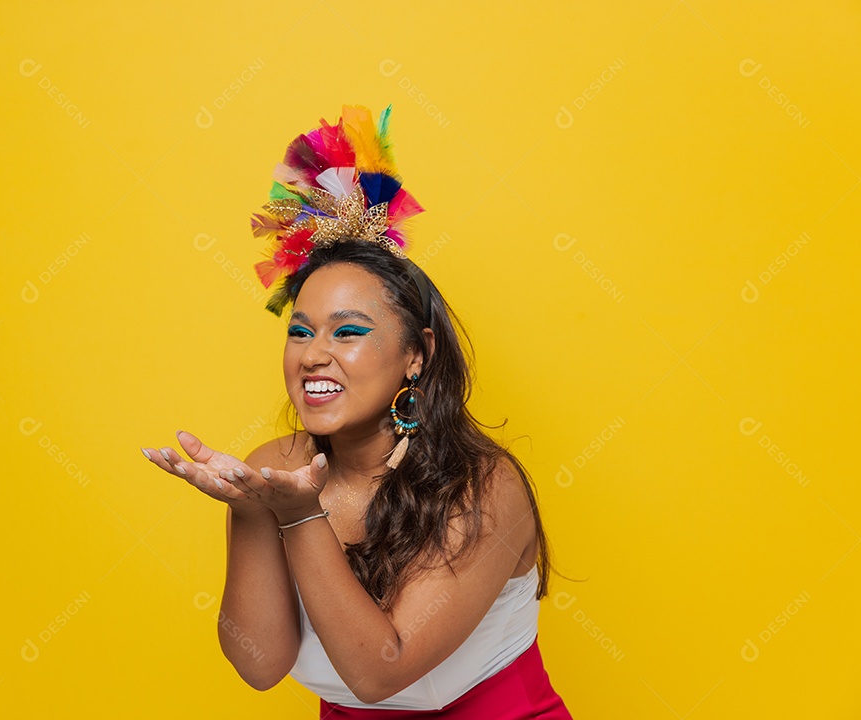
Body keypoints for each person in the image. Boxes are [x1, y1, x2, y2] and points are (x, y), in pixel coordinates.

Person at [141, 105, 573, 718]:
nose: (313, 355)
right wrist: (252, 512)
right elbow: (261, 666)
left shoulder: (482, 487)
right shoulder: (276, 469)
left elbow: (379, 672)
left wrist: (298, 516)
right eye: (300, 331)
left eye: (347, 332)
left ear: (417, 354)